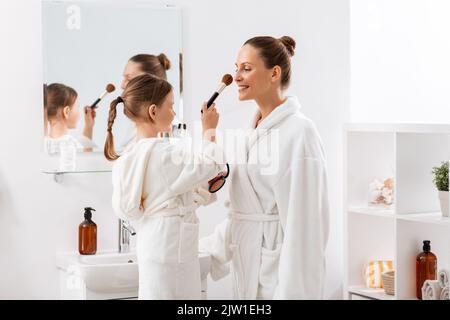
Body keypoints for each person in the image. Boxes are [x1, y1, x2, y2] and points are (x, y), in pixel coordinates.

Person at [200, 36, 330, 299]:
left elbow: (306, 229)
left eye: (246, 68)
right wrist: (202, 250)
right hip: (248, 265)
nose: (236, 76)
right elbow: (244, 211)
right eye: (236, 68)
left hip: (279, 278)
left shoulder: (299, 132)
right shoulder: (254, 130)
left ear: (274, 73)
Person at [105, 74, 225, 299]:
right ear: (153, 111)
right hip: (172, 250)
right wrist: (209, 129)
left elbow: (172, 189)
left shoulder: (130, 156)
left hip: (152, 242)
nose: (174, 112)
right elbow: (210, 164)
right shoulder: (163, 153)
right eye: (170, 106)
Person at [119, 53, 173, 149]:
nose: (122, 85)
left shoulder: (172, 134)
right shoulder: (134, 128)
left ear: (151, 80)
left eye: (129, 78)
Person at [44, 83, 96, 170]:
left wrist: (88, 126)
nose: (79, 114)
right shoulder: (68, 143)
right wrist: (89, 126)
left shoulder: (44, 142)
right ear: (67, 112)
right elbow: (87, 159)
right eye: (77, 108)